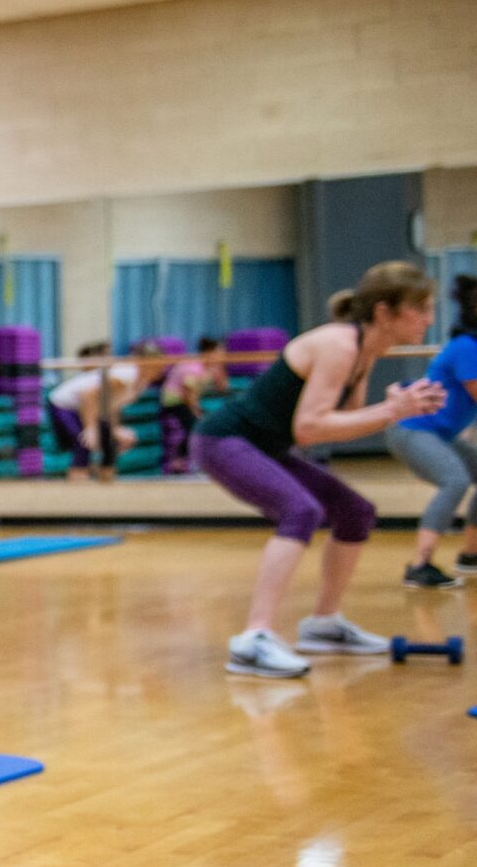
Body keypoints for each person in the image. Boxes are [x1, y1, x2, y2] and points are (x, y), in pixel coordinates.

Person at [193, 261, 444, 677]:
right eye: (420, 309)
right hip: (223, 441)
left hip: (262, 446)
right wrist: (390, 410)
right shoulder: (340, 345)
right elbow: (309, 429)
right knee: (301, 509)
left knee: (355, 512)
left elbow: (342, 420)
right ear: (384, 312)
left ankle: (324, 625)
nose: (429, 319)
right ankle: (253, 639)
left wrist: (396, 407)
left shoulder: (365, 350)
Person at [387, 275, 477, 589]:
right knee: (456, 480)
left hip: (441, 434)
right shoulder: (467, 347)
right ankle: (420, 565)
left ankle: (470, 555)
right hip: (413, 430)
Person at [49, 341, 160, 480]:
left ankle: (103, 480)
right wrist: (90, 428)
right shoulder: (126, 374)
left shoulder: (142, 382)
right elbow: (88, 395)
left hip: (91, 408)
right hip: (65, 404)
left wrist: (115, 429)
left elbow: (111, 405)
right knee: (84, 442)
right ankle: (78, 482)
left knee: (111, 444)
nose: (160, 368)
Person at [158, 337, 229, 474]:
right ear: (209, 352)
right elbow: (188, 394)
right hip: (173, 402)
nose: (223, 355)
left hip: (188, 401)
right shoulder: (193, 366)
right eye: (219, 352)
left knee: (205, 423)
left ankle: (192, 460)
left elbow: (223, 388)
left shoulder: (211, 368)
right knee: (194, 427)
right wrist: (196, 412)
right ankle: (179, 462)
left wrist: (220, 369)